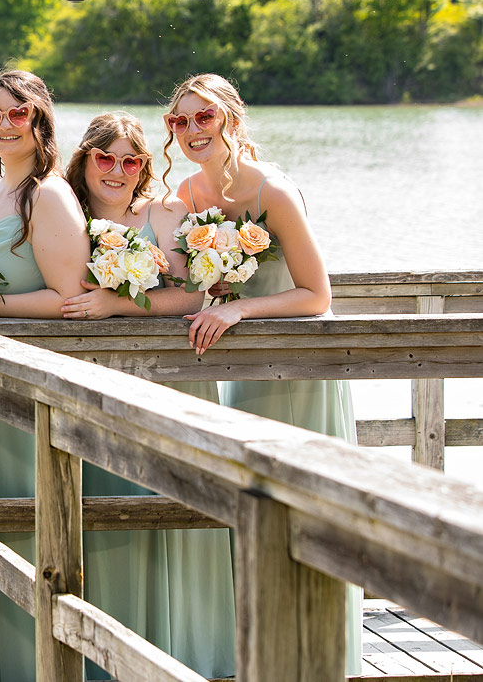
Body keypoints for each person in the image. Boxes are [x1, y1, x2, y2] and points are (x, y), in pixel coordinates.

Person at [163, 72, 361, 674]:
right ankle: (259, 654)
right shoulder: (189, 196)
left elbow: (316, 294)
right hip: (238, 376)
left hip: (297, 370)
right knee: (249, 509)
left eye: (204, 118)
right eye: (179, 121)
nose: (192, 130)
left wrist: (238, 306)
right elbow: (196, 281)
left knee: (304, 509)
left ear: (231, 121)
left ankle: (322, 658)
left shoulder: (271, 189)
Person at [59, 112, 236, 679]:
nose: (117, 170)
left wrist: (117, 303)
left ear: (145, 166)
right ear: (84, 159)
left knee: (174, 506)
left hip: (168, 379)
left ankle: (184, 650)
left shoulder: (164, 212)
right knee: (99, 513)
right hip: (90, 383)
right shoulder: (63, 216)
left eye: (130, 159)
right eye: (104, 157)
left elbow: (188, 296)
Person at [0, 69, 90, 680]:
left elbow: (66, 297)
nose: (4, 125)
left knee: (22, 528)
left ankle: (24, 666)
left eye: (18, 114)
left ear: (40, 121)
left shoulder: (48, 194)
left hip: (23, 389)